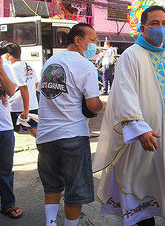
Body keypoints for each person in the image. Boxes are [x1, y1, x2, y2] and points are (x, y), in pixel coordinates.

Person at [93, 5, 165, 226]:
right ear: (143, 29)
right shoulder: (131, 55)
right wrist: (139, 128)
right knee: (142, 192)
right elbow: (125, 92)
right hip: (142, 142)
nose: (160, 28)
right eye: (154, 24)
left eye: (164, 23)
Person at [36, 23, 104, 226]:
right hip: (72, 135)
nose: (95, 45)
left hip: (45, 136)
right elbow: (92, 105)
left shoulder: (50, 62)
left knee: (53, 185)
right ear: (78, 40)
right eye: (92, 40)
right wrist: (102, 106)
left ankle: (50, 223)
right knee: (76, 189)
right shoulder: (85, 66)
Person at [0, 38, 23, 226]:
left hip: (6, 128)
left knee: (6, 171)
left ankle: (8, 204)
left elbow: (9, 91)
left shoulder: (5, 68)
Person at [7, 43, 39, 138]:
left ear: (8, 55)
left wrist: (26, 109)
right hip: (32, 104)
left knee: (9, 132)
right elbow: (36, 84)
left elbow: (23, 87)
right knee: (34, 131)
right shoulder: (29, 66)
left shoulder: (14, 67)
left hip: (18, 107)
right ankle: (47, 149)